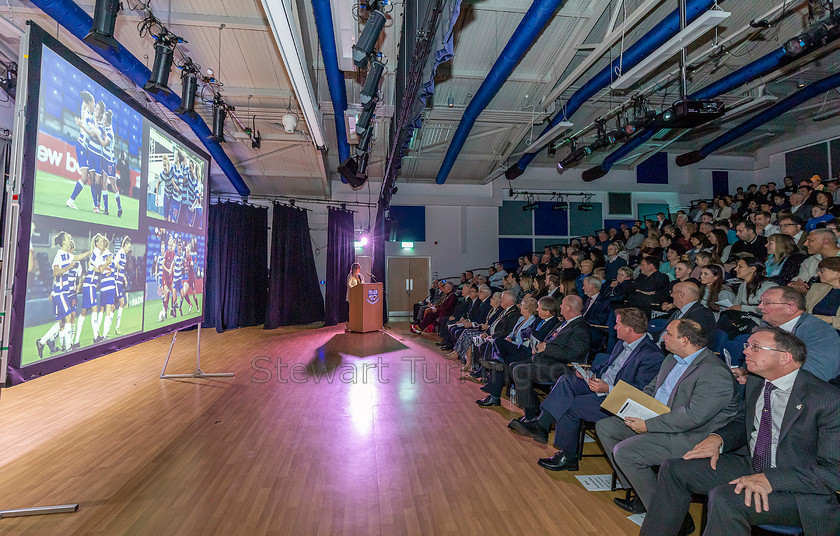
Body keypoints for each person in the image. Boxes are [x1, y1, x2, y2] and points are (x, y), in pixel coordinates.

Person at [640, 327, 840, 536]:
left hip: (798, 488)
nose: (745, 352)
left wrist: (771, 479)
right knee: (674, 469)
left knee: (726, 499)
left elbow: (834, 472)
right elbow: (743, 422)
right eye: (747, 346)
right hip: (752, 464)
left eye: (755, 347)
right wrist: (718, 438)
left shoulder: (827, 400)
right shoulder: (756, 381)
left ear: (785, 358)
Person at [596, 319, 741, 515]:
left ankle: (670, 515)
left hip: (690, 435)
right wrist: (631, 405)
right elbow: (652, 388)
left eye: (669, 334)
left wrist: (648, 425)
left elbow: (693, 417)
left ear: (685, 340)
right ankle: (642, 490)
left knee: (626, 452)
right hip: (660, 419)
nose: (662, 337)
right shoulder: (672, 358)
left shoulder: (714, 372)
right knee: (606, 427)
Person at [509, 308, 664, 469]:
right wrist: (590, 373)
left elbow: (640, 391)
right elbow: (607, 366)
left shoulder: (651, 355)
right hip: (600, 386)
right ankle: (542, 424)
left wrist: (608, 388)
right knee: (566, 381)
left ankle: (568, 457)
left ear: (629, 329)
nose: (615, 328)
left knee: (571, 406)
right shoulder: (622, 344)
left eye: (618, 324)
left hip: (617, 400)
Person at [508, 295, 590, 419]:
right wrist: (540, 348)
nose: (560, 306)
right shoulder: (564, 323)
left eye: (562, 304)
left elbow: (570, 354)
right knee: (513, 365)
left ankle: (531, 415)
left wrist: (546, 348)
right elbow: (547, 340)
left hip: (560, 367)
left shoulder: (580, 328)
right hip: (545, 359)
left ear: (569, 308)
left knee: (519, 371)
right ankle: (533, 407)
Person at [476, 297, 560, 406]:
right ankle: (498, 359)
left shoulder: (554, 323)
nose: (537, 310)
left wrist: (531, 333)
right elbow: (524, 332)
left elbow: (538, 336)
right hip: (521, 347)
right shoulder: (539, 319)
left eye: (539, 308)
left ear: (547, 312)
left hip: (531, 353)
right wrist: (531, 333)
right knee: (498, 341)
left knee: (502, 364)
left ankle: (494, 397)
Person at [805, 256, 840, 328]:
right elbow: (804, 310)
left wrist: (830, 319)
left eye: (822, 270)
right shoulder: (816, 288)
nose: (818, 273)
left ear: (838, 274)